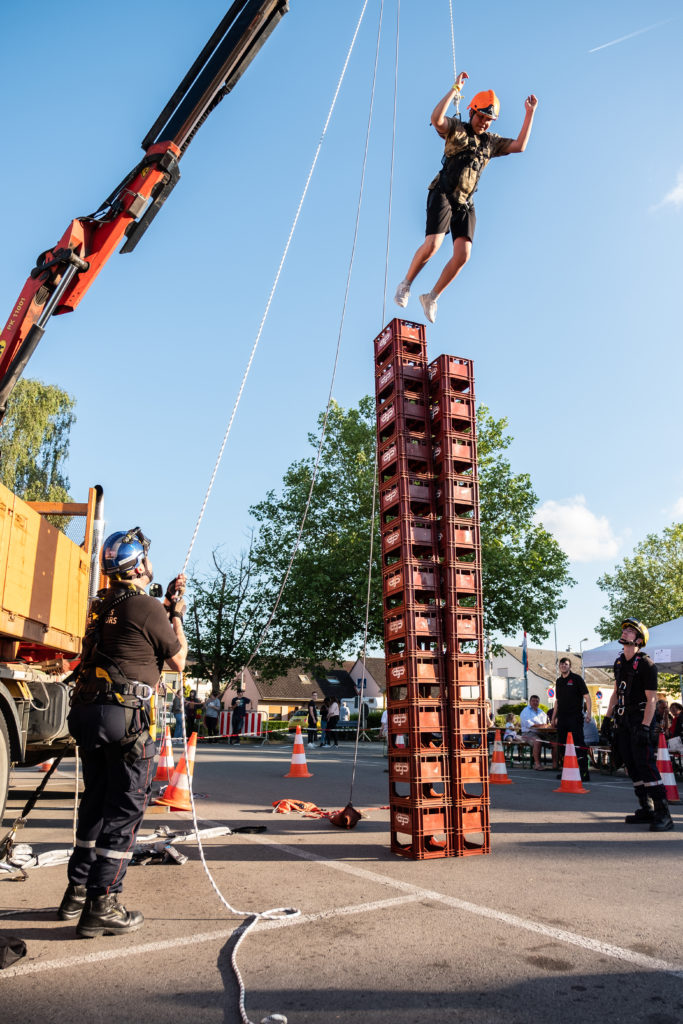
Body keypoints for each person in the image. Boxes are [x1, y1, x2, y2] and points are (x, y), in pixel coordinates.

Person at [58, 527, 187, 937]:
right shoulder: (146, 607)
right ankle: (104, 902)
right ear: (137, 565)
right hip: (126, 719)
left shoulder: (103, 604)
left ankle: (76, 891)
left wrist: (164, 604)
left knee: (94, 803)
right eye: (146, 556)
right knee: (124, 810)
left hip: (89, 712)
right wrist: (177, 614)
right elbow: (178, 659)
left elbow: (131, 638)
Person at [394, 73, 538, 323]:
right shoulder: (457, 129)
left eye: (489, 119)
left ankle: (431, 297)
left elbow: (519, 146)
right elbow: (436, 119)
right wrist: (454, 89)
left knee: (463, 255)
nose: (484, 122)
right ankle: (406, 284)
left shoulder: (491, 142)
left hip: (465, 203)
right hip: (443, 193)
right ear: (472, 111)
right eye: (481, 116)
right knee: (433, 245)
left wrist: (529, 113)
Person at [601, 618, 673, 832]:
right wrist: (607, 718)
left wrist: (645, 726)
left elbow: (652, 698)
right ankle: (646, 808)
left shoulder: (647, 664)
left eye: (631, 631)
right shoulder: (619, 662)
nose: (626, 633)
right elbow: (616, 692)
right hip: (623, 720)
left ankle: (664, 814)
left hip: (641, 719)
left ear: (639, 640)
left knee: (646, 766)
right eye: (625, 630)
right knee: (631, 766)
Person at [551, 657, 592, 782]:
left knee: (578, 744)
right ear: (559, 666)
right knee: (563, 745)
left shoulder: (577, 679)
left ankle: (584, 772)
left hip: (575, 717)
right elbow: (557, 701)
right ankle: (567, 771)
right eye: (561, 664)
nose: (563, 666)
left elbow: (587, 697)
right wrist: (553, 718)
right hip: (562, 718)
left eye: (566, 664)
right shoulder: (558, 681)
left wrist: (589, 713)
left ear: (570, 666)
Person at [520, 695, 553, 771]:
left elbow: (547, 723)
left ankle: (555, 765)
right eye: (533, 701)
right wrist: (542, 725)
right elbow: (529, 724)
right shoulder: (526, 711)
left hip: (541, 733)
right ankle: (537, 764)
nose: (535, 702)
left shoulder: (541, 712)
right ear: (530, 702)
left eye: (537, 701)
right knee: (537, 741)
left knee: (555, 742)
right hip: (527, 733)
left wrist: (548, 725)